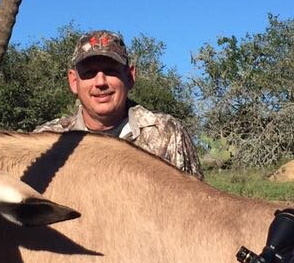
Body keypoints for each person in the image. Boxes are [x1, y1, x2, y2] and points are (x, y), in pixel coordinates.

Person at [36, 30, 203, 179]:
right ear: (73, 81)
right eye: (89, 73)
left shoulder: (166, 133)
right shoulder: (46, 141)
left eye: (111, 71)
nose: (100, 82)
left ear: (130, 77)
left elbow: (196, 205)